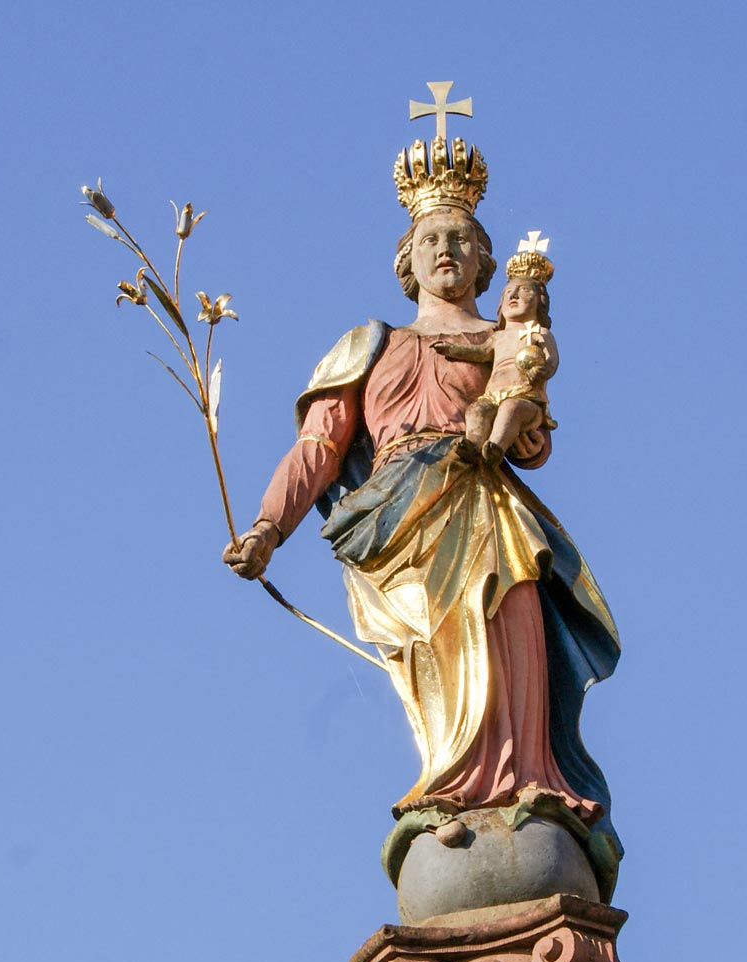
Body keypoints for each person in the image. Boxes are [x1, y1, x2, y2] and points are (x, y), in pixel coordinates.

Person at [222, 139, 622, 894]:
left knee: (510, 635)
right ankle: (450, 778)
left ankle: (525, 779)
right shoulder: (372, 345)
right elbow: (317, 447)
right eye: (431, 238)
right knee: (437, 656)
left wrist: (516, 392)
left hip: (487, 507)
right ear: (406, 260)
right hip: (400, 519)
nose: (447, 248)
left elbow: (529, 441)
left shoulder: (505, 342)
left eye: (462, 239)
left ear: (483, 261)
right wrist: (267, 530)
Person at [434, 259, 558, 466]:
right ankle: (472, 445)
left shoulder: (538, 333)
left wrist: (543, 370)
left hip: (525, 398)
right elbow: (481, 353)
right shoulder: (498, 337)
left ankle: (495, 447)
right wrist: (453, 350)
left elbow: (551, 358)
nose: (514, 295)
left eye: (524, 291)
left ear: (540, 302)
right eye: (509, 292)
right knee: (477, 410)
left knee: (511, 409)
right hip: (492, 396)